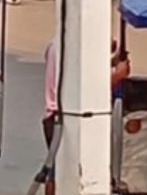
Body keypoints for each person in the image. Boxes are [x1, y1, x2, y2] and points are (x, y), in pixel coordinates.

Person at [41, 40, 132, 195]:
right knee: (62, 173)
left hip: (54, 116)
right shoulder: (73, 50)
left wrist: (110, 61)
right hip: (66, 118)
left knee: (56, 171)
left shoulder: (56, 46)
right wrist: (117, 75)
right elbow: (88, 90)